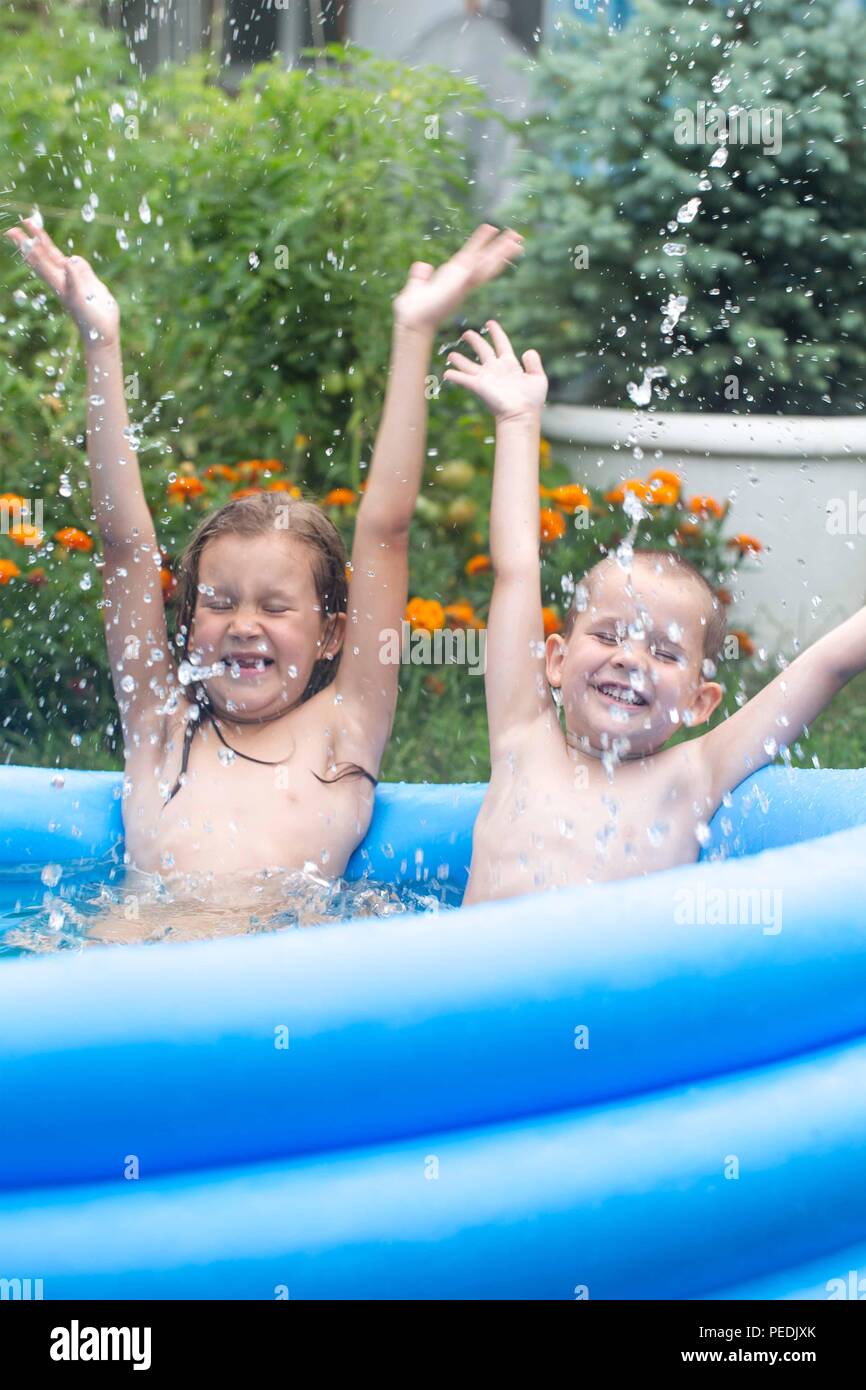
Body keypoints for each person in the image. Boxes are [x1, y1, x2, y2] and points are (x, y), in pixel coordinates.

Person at [5, 217, 522, 888]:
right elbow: (125, 550)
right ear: (186, 623)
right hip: (130, 980)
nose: (244, 623)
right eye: (218, 603)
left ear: (333, 631)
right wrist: (101, 343)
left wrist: (414, 332)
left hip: (272, 988)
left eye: (276, 606)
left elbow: (385, 530)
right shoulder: (160, 726)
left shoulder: (344, 731)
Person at [444, 319, 866, 904]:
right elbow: (517, 567)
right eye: (609, 635)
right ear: (556, 659)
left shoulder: (694, 775)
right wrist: (518, 422)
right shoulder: (522, 738)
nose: (629, 659)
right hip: (476, 985)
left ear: (699, 699)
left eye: (665, 652)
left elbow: (828, 665)